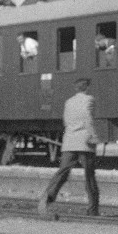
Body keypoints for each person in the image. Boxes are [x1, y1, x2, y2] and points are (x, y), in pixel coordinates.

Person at [39, 78, 100, 217]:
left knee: (62, 172)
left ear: (76, 89)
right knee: (89, 176)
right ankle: (93, 210)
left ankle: (46, 198)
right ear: (87, 88)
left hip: (70, 141)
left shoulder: (69, 102)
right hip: (85, 142)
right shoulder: (89, 99)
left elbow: (66, 121)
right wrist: (94, 136)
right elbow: (88, 119)